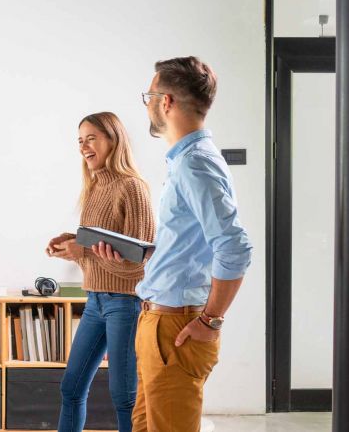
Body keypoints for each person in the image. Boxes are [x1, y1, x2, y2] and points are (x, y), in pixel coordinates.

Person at [132, 56, 252, 431]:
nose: (148, 104)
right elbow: (191, 245)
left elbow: (234, 247)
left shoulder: (194, 163)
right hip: (158, 321)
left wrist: (211, 320)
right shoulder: (185, 161)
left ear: (165, 101)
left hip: (176, 327)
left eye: (149, 95)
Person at [47, 112, 155, 432]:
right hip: (95, 301)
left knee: (123, 396)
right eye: (80, 140)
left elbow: (138, 262)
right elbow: (99, 251)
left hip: (126, 303)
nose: (84, 146)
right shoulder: (94, 188)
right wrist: (71, 245)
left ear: (113, 139)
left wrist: (83, 250)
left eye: (91, 138)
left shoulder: (132, 187)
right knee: (71, 388)